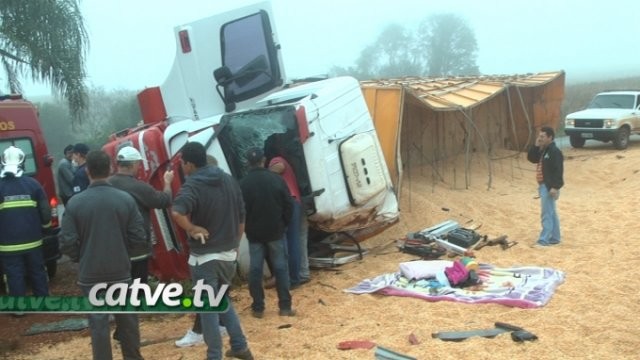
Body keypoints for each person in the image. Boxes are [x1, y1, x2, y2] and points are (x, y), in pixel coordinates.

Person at [60, 150, 146, 360]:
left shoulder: (75, 203)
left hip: (91, 273)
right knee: (128, 321)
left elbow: (66, 241)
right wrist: (124, 253)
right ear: (110, 169)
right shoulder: (125, 199)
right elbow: (138, 237)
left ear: (87, 171)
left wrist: (80, 257)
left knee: (98, 325)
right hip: (121, 271)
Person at [171, 142, 253, 360]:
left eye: (182, 162)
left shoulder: (192, 185)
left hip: (205, 258)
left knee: (208, 309)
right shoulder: (228, 180)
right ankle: (240, 347)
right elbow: (242, 216)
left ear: (188, 163)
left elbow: (177, 212)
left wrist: (191, 228)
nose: (182, 166)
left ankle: (214, 356)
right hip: (228, 254)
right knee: (222, 301)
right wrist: (235, 245)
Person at [174, 153, 227, 349]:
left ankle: (199, 332)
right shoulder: (226, 188)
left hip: (207, 248)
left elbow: (179, 212)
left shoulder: (200, 191)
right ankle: (221, 325)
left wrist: (191, 229)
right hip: (225, 248)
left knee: (203, 293)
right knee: (219, 289)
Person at [240, 147, 295, 319]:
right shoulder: (275, 179)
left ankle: (258, 308)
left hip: (255, 235)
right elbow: (289, 204)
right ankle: (285, 307)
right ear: (263, 160)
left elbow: (240, 211)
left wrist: (247, 227)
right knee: (280, 268)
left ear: (248, 162)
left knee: (256, 270)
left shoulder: (243, 184)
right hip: (275, 231)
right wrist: (283, 223)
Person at [108, 146, 174, 284]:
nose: (138, 167)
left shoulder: (107, 184)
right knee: (138, 288)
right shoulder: (139, 187)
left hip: (112, 249)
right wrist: (167, 183)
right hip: (136, 250)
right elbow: (164, 201)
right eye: (138, 163)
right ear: (132, 164)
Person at [0, 146, 52, 298]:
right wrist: (46, 229)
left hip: (7, 245)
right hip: (33, 242)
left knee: (14, 275)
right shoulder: (33, 184)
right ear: (22, 163)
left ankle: (19, 308)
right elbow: (45, 212)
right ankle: (42, 303)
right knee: (37, 271)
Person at [266, 145, 304, 287]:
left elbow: (279, 166)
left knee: (284, 243)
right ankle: (294, 279)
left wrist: (262, 173)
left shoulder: (277, 160)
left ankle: (287, 280)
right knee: (293, 241)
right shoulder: (287, 161)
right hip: (295, 202)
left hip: (287, 203)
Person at [527, 126, 564, 247]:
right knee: (551, 212)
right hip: (544, 186)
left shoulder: (554, 152)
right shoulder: (544, 150)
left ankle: (544, 240)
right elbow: (532, 158)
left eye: (543, 136)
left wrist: (555, 187)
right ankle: (555, 237)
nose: (540, 138)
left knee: (546, 213)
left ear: (550, 137)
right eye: (540, 136)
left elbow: (559, 171)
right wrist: (536, 145)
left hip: (548, 186)